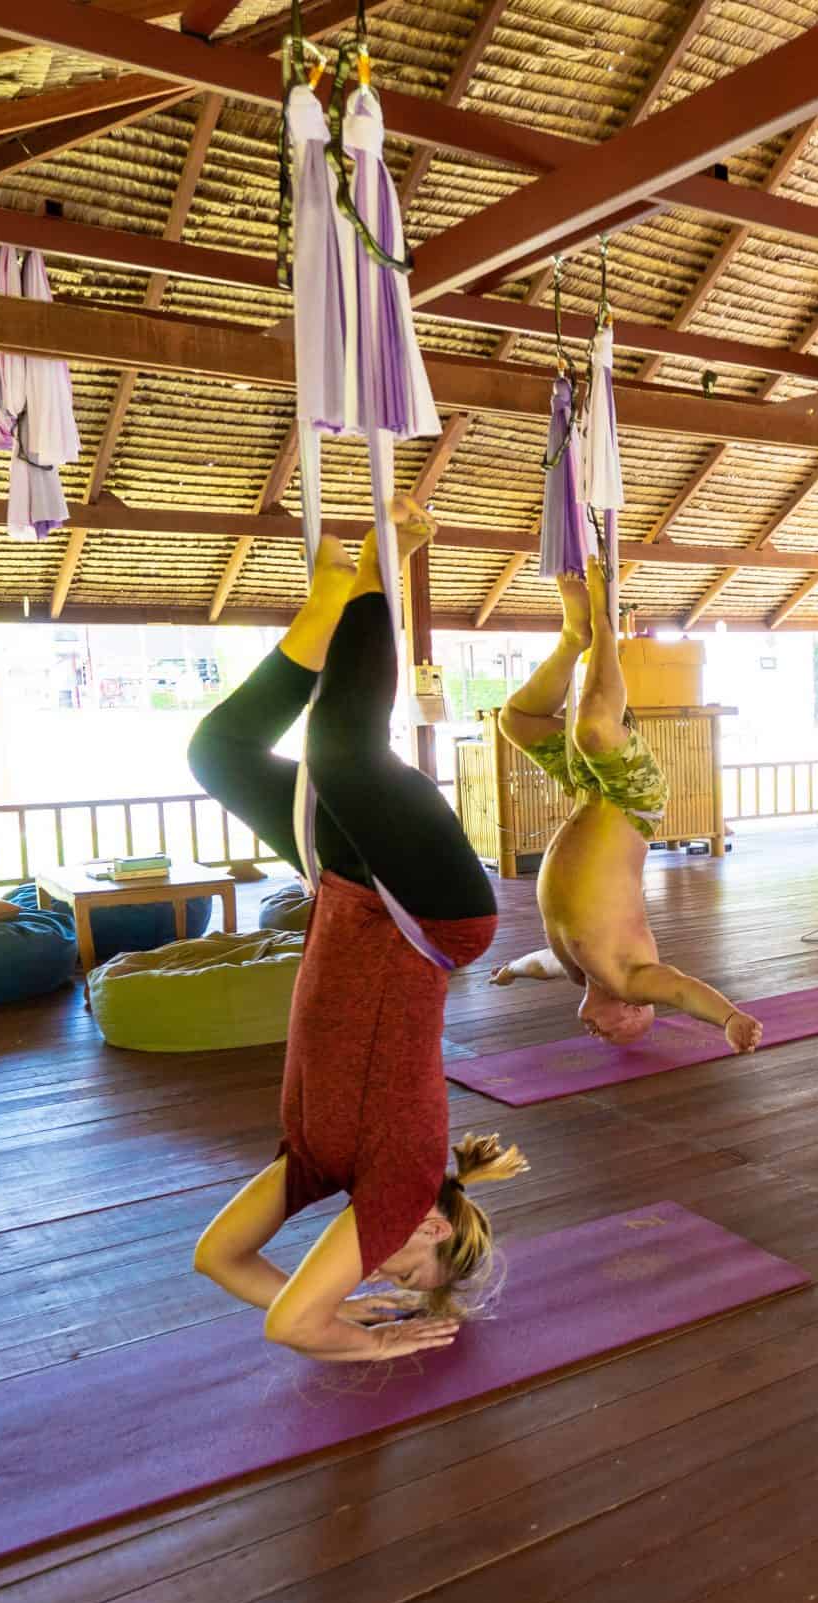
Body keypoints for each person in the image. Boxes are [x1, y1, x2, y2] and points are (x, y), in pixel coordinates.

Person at [188, 498, 525, 1360]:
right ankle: (384, 562)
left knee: (218, 753)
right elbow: (291, 1322)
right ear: (437, 1231)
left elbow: (218, 1256)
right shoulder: (405, 1182)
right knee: (342, 752)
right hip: (436, 918)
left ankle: (326, 606)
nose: (382, 1274)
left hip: (344, 886)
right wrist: (363, 1338)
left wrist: (341, 1314)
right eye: (408, 1276)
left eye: (389, 1287)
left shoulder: (315, 1166)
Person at [489, 575, 764, 1054]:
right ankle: (603, 624)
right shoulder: (633, 978)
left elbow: (542, 963)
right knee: (593, 728)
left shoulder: (579, 968)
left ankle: (573, 641)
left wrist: (511, 970)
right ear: (634, 1008)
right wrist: (729, 1017)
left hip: (587, 792)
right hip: (631, 801)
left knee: (516, 721)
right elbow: (680, 989)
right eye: (615, 1031)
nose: (597, 1033)